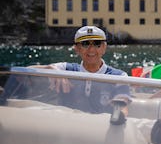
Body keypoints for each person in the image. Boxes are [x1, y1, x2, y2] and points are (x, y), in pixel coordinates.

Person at [1, 26, 131, 115]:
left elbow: (122, 103)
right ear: (77, 49)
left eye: (97, 44)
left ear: (104, 48)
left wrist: (119, 114)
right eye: (85, 44)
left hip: (102, 129)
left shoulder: (118, 76)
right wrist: (50, 69)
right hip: (68, 130)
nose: (91, 50)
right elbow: (26, 71)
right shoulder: (65, 69)